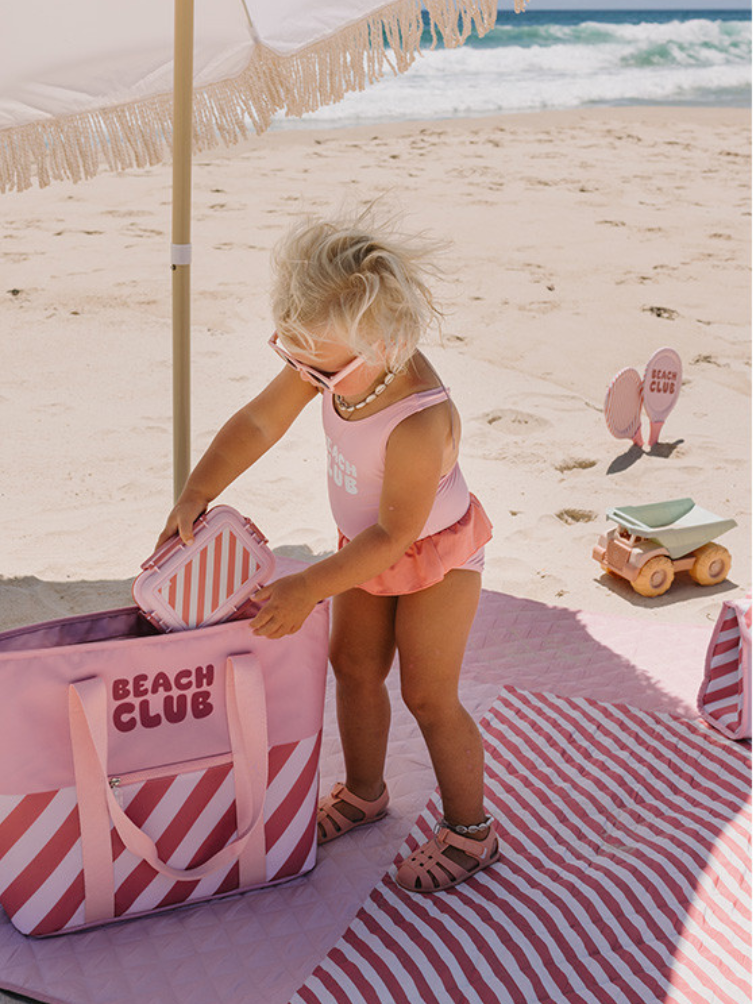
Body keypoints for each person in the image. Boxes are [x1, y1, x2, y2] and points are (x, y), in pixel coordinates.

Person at [157, 213, 498, 893]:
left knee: (428, 695)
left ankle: (472, 830)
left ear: (383, 344)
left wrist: (309, 585)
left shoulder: (418, 418)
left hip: (434, 556)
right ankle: (366, 792)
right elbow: (259, 422)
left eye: (314, 365)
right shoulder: (331, 363)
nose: (302, 374)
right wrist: (198, 490)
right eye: (293, 357)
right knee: (353, 668)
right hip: (361, 550)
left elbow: (395, 536)